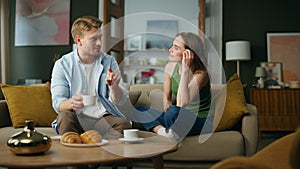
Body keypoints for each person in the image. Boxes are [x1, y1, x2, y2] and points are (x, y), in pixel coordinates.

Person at [50, 16, 131, 139]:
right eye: (94, 39)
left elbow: (120, 100)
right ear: (79, 40)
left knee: (123, 124)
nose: (99, 43)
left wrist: (114, 87)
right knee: (64, 117)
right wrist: (72, 103)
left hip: (101, 118)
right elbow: (57, 102)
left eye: (100, 38)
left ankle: (100, 149)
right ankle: (75, 148)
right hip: (76, 117)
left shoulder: (109, 61)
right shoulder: (63, 64)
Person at [136, 32, 212, 140]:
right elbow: (167, 98)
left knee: (174, 111)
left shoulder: (201, 75)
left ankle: (172, 130)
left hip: (200, 121)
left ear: (188, 53)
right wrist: (168, 118)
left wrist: (186, 69)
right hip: (177, 118)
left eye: (176, 48)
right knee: (140, 109)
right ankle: (163, 132)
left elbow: (182, 103)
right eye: (172, 46)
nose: (170, 50)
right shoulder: (170, 68)